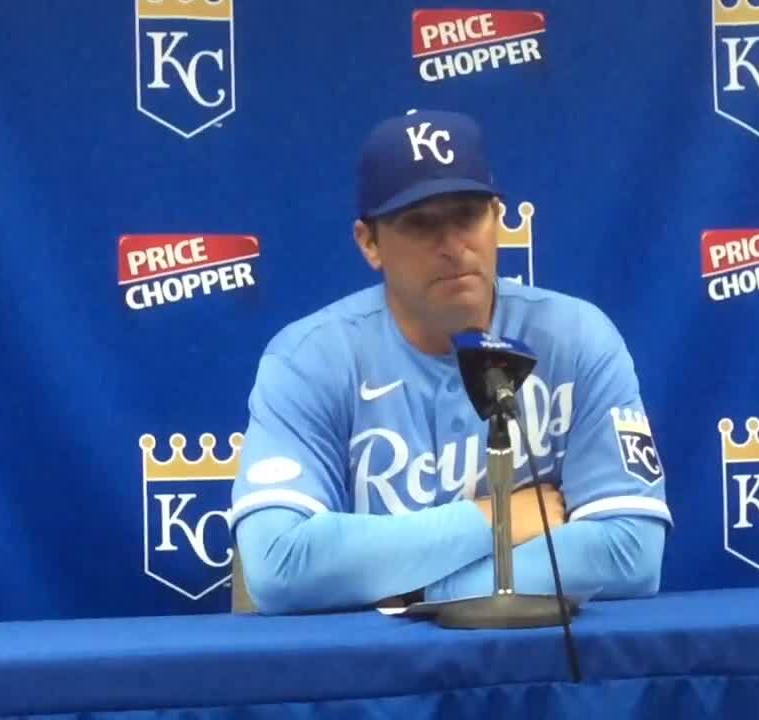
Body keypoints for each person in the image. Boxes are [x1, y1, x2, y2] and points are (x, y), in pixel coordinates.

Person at [229, 109, 672, 615]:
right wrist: (492, 521)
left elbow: (630, 553)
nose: (452, 245)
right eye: (419, 223)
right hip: (372, 682)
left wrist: (417, 596)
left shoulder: (576, 338)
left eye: (468, 215)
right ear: (369, 243)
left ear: (498, 221)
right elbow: (280, 567)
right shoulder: (309, 359)